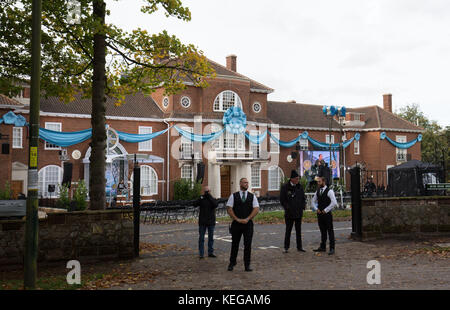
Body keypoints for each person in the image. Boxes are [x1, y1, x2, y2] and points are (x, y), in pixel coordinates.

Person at [226, 177, 260, 272]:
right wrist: (236, 219)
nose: (246, 184)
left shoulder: (252, 196)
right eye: (244, 183)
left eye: (247, 183)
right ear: (240, 184)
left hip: (248, 224)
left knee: (248, 245)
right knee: (235, 244)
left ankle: (247, 265)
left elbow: (256, 208)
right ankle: (232, 263)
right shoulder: (233, 196)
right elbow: (229, 208)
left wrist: (248, 218)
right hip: (236, 224)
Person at [280, 170, 306, 253]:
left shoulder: (300, 186)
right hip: (289, 213)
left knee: (299, 231)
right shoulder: (285, 187)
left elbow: (303, 198)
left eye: (298, 178)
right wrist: (287, 208)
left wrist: (303, 206)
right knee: (288, 230)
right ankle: (286, 247)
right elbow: (282, 200)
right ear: (292, 179)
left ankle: (300, 247)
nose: (298, 180)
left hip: (298, 212)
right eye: (296, 179)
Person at [311, 176, 338, 255]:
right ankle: (322, 247)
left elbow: (334, 202)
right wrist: (316, 209)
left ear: (323, 182)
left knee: (330, 231)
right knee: (322, 231)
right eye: (317, 182)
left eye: (319, 182)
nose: (318, 183)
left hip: (327, 214)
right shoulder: (318, 191)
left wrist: (326, 210)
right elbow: (313, 201)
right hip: (320, 214)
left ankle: (332, 248)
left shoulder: (330, 191)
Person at [193, 186, 218, 259]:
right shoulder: (201, 198)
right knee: (201, 238)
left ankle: (210, 252)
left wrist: (209, 196)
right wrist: (201, 198)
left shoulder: (212, 199)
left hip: (211, 221)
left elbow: (215, 205)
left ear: (210, 191)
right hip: (202, 221)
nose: (207, 193)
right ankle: (201, 253)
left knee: (211, 238)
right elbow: (194, 204)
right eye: (205, 191)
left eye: (208, 191)